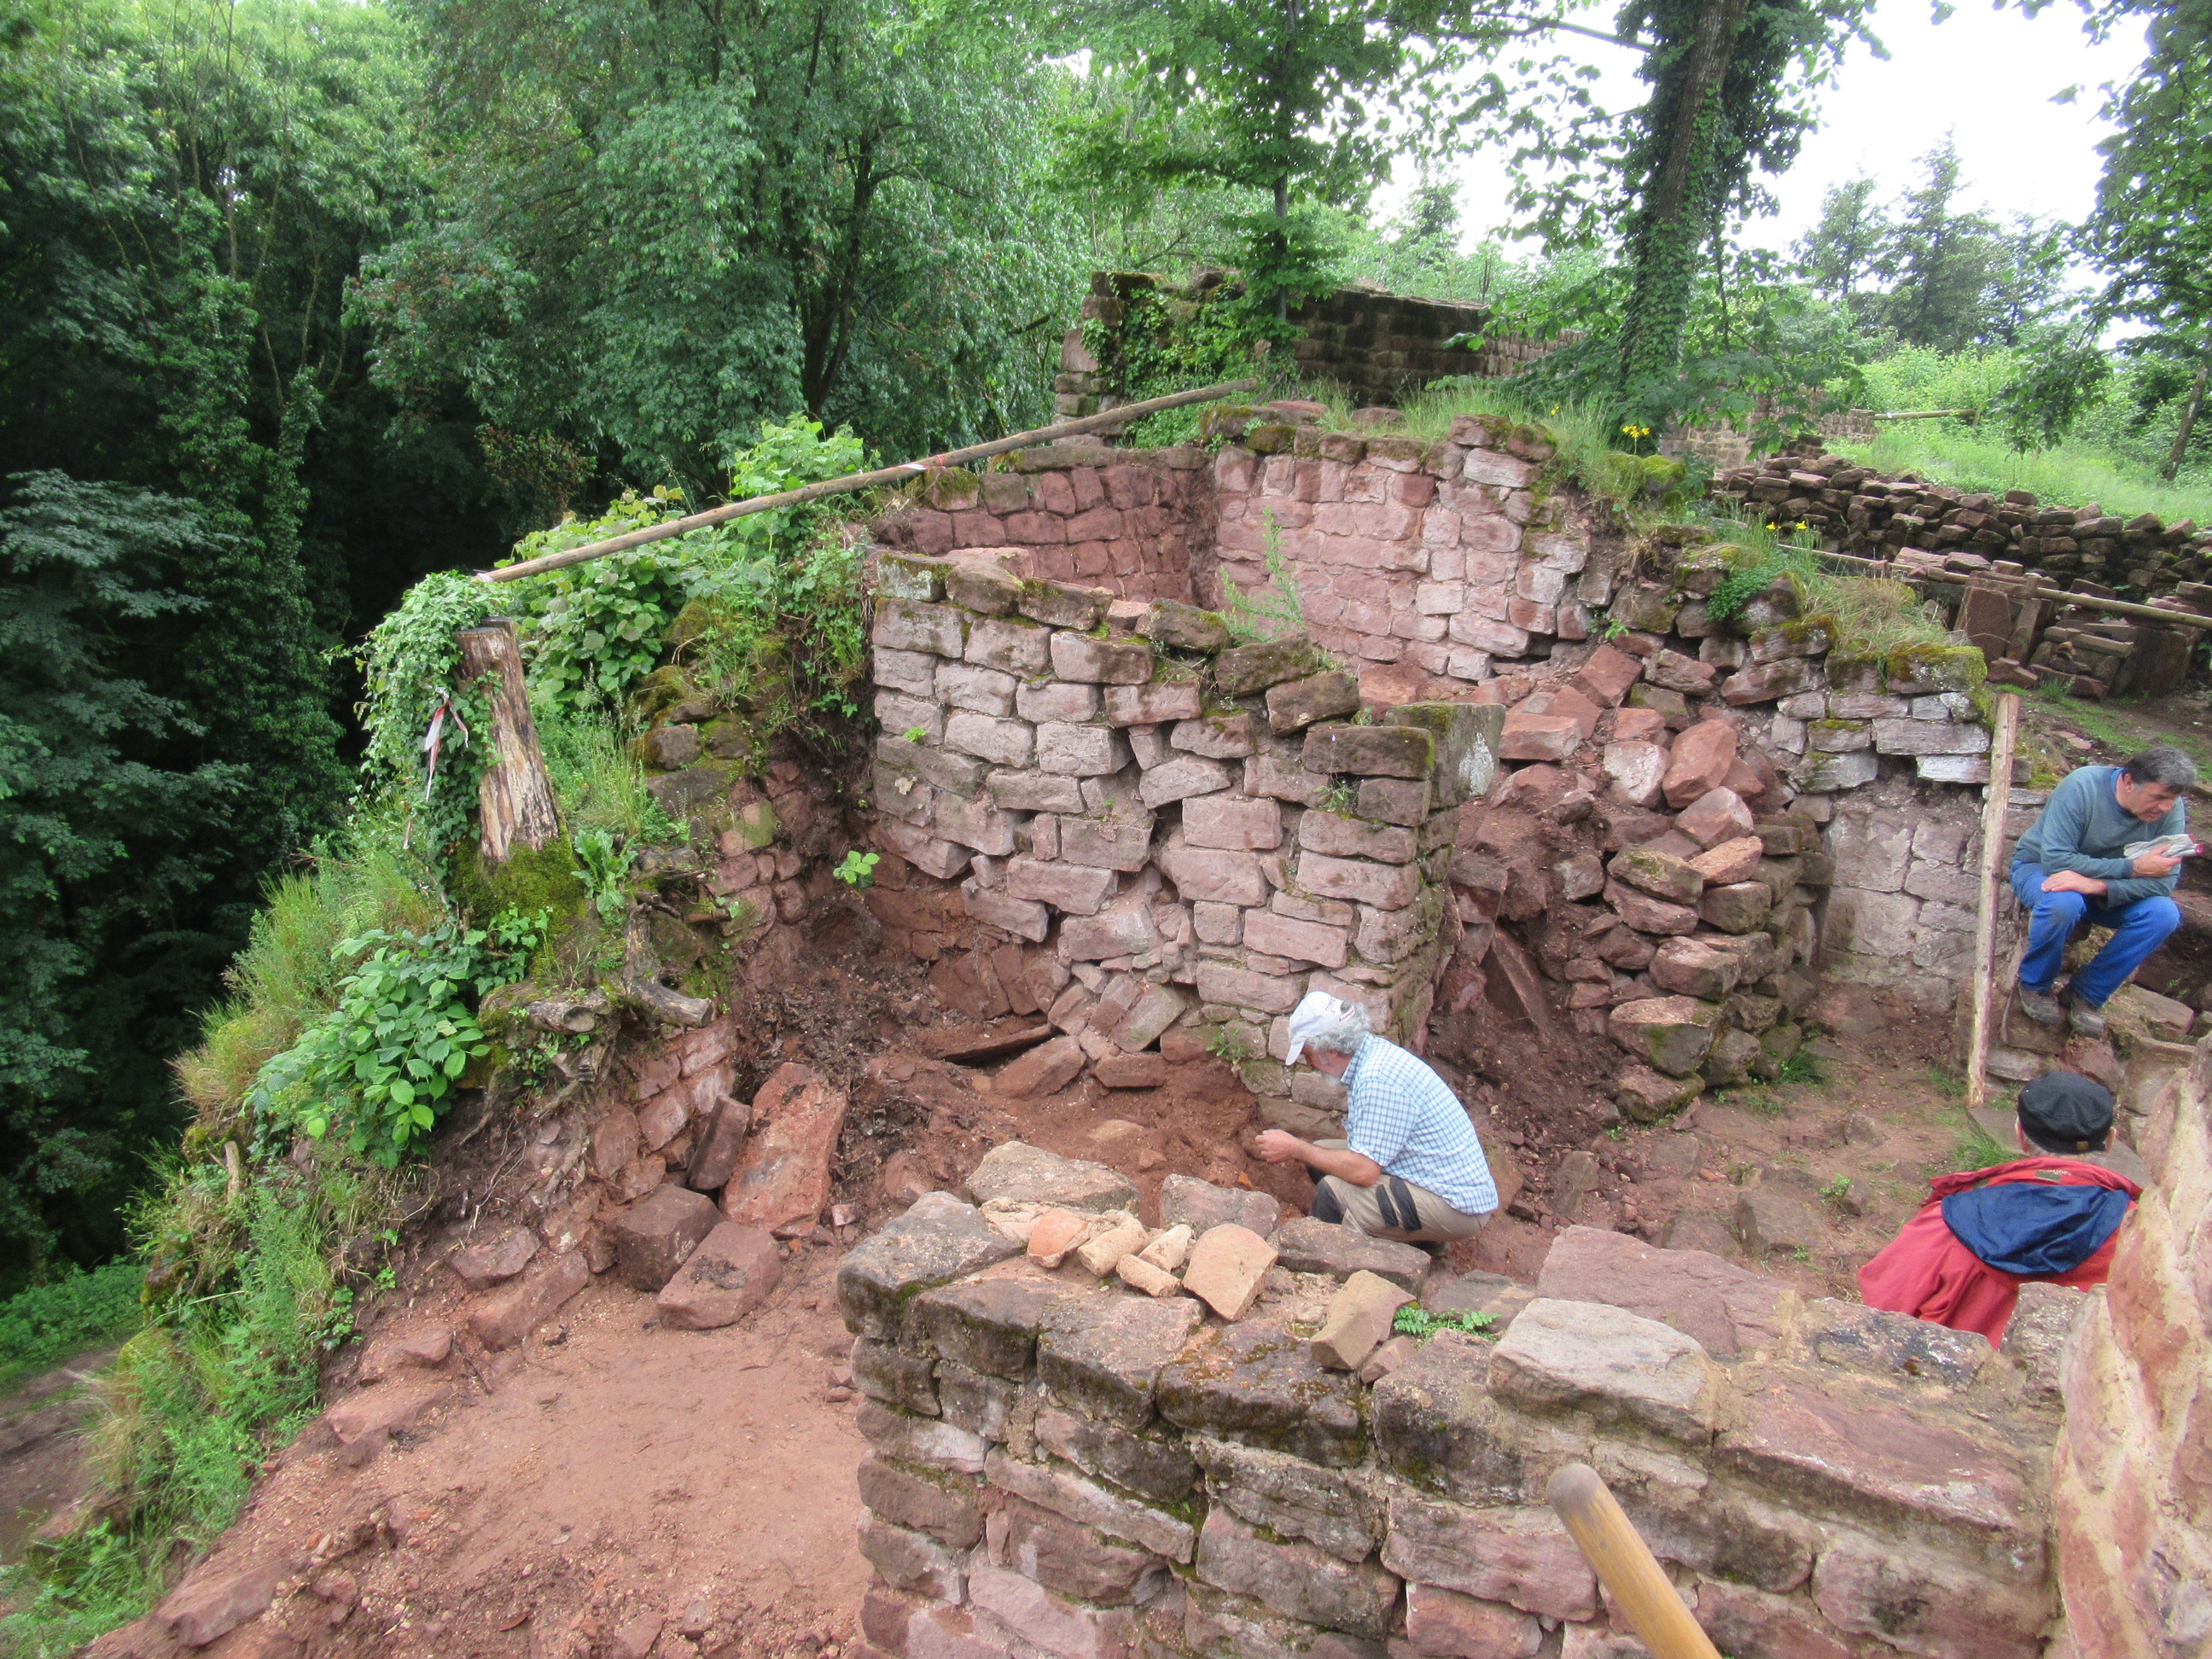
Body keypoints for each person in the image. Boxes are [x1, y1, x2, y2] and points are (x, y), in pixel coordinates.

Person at [1857, 1071, 2140, 1344]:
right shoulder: (2139, 1236)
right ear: (2110, 1141)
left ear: (2020, 1134)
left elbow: (1881, 1310)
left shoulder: (1947, 1222)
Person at [1253, 991, 1498, 1245]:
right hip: (1431, 1178)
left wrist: (1295, 1147)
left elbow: (1365, 1172)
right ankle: (1414, 1238)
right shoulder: (1370, 1055)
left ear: (1330, 1049)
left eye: (1307, 1054)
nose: (1308, 1063)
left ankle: (1319, 1257)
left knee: (1332, 1194)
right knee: (1322, 1156)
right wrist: (1304, 1150)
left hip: (1456, 1207)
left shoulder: (1377, 1078)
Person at [2009, 744, 2195, 1038]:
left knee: (2163, 914)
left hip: (2101, 886)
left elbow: (2163, 883)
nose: (2166, 808)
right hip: (2040, 869)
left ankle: (2086, 994)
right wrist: (2132, 868)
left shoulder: (2170, 810)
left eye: (2172, 799)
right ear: (2129, 781)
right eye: (2158, 797)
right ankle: (2035, 985)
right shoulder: (2081, 787)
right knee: (2063, 904)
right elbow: (2056, 859)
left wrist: (2096, 885)